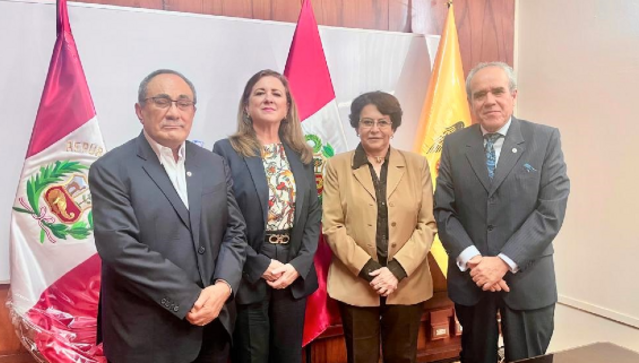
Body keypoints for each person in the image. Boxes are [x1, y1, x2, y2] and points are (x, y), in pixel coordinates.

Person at [89, 69, 247, 363]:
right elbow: (119, 247)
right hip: (146, 337)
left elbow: (235, 231)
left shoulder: (213, 164)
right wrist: (190, 298)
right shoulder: (111, 169)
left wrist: (223, 287)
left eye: (183, 103)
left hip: (214, 327)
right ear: (140, 111)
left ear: (193, 111)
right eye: (162, 101)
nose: (174, 112)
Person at [434, 62, 570, 363]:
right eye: (480, 94)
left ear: (514, 95)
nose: (489, 100)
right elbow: (444, 210)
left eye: (498, 91)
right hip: (473, 279)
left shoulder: (544, 140)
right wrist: (475, 261)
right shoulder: (455, 144)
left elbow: (550, 211)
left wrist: (504, 262)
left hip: (527, 280)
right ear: (471, 102)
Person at [212, 69, 320, 363]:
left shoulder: (302, 154)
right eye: (260, 92)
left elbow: (313, 215)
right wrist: (258, 264)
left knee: (288, 357)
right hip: (250, 269)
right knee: (252, 356)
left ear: (287, 108)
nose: (268, 98)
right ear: (247, 106)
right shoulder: (227, 151)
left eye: (276, 93)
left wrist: (298, 265)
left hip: (293, 270)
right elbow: (224, 215)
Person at [322, 91, 437, 363]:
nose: (375, 129)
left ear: (393, 127)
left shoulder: (417, 164)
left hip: (407, 282)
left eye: (383, 122)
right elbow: (332, 227)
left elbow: (427, 224)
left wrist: (395, 272)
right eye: (367, 122)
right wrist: (373, 272)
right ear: (357, 126)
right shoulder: (337, 166)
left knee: (402, 357)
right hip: (356, 282)